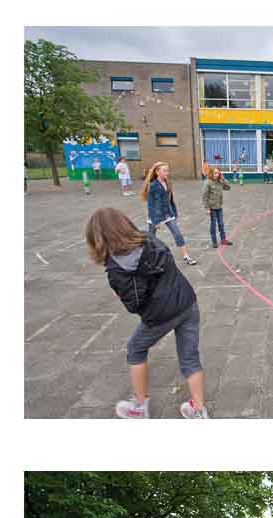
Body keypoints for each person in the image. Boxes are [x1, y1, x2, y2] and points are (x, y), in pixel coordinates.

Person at [88, 207, 210, 419]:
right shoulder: (149, 238)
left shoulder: (116, 269)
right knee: (189, 357)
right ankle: (199, 410)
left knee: (136, 348)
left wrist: (121, 294)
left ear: (98, 238)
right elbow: (167, 264)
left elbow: (135, 303)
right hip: (187, 301)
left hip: (161, 314)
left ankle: (140, 404)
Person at [140, 162, 196, 266]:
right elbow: (150, 206)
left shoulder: (168, 182)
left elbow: (170, 198)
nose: (167, 173)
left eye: (168, 170)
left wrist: (174, 211)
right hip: (155, 216)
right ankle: (147, 258)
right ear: (157, 172)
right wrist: (156, 221)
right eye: (164, 171)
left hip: (167, 214)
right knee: (151, 238)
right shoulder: (152, 186)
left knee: (177, 234)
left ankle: (186, 256)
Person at [201, 164, 233, 249]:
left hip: (219, 207)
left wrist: (223, 179)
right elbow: (204, 196)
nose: (217, 175)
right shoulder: (208, 182)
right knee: (213, 225)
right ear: (211, 173)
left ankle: (223, 240)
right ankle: (214, 241)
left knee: (221, 224)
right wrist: (207, 208)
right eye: (215, 173)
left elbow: (228, 187)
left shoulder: (220, 181)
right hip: (212, 208)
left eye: (218, 173)